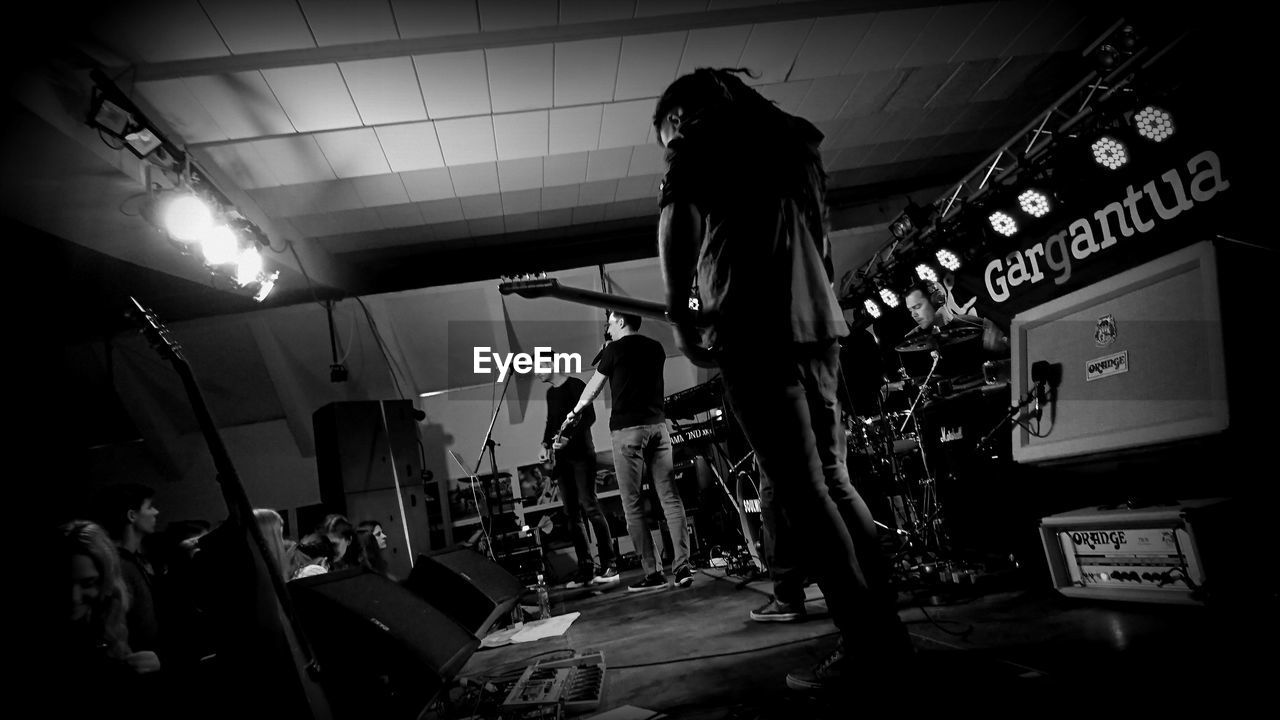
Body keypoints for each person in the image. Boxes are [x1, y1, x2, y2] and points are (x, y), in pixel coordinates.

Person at [653, 67, 912, 690]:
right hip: (818, 324)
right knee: (836, 481)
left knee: (802, 493)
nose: (667, 146)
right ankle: (888, 633)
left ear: (682, 117)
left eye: (665, 135)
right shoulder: (797, 142)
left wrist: (682, 317)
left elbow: (677, 221)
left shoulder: (700, 139)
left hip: (753, 326)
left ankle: (865, 647)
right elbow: (820, 244)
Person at [565, 311, 693, 591]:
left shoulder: (613, 351)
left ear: (620, 322)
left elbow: (594, 387)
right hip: (658, 427)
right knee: (670, 498)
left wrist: (574, 412)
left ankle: (654, 573)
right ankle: (683, 567)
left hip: (627, 432)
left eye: (610, 322)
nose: (607, 326)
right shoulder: (656, 347)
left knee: (632, 503)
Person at [537, 371, 618, 587]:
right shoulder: (550, 394)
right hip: (562, 460)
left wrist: (568, 439)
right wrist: (545, 444)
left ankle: (610, 563)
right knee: (571, 513)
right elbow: (551, 422)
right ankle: (586, 568)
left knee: (589, 506)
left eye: (538, 367)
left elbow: (588, 417)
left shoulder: (575, 385)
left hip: (582, 455)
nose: (535, 372)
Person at [91, 483, 164, 662]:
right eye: (149, 507)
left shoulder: (133, 561)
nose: (156, 512)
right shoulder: (118, 566)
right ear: (132, 515)